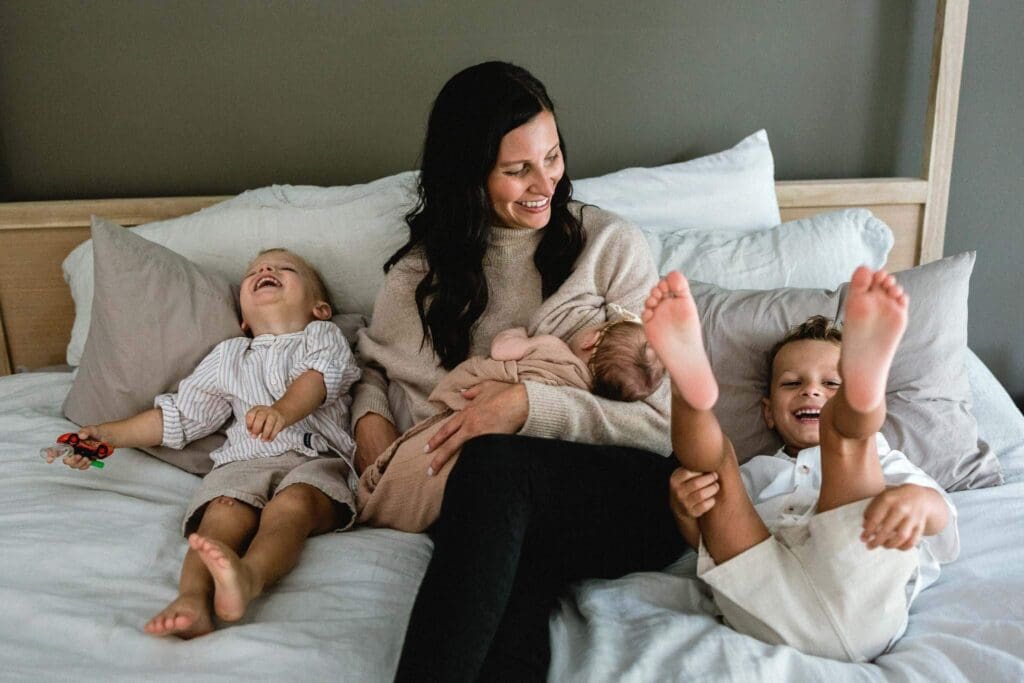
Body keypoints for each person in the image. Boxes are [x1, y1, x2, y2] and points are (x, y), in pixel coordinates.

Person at [350, 61, 687, 681]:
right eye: (518, 169)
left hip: (627, 495)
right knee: (510, 565)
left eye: (553, 158)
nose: (546, 184)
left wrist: (527, 408)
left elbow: (663, 424)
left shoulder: (610, 247)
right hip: (501, 509)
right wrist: (370, 424)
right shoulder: (419, 278)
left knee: (495, 462)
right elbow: (373, 367)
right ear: (467, 173)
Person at [644, 267, 959, 661]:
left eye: (832, 384)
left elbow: (942, 515)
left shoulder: (882, 461)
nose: (811, 389)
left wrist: (916, 502)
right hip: (766, 588)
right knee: (716, 470)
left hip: (859, 584)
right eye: (792, 383)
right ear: (768, 412)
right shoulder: (757, 470)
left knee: (846, 442)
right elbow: (711, 542)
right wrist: (686, 511)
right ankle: (688, 389)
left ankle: (860, 398)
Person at [46, 248, 361, 639]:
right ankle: (192, 599)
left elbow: (318, 379)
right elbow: (181, 416)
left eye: (285, 268)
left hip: (313, 459)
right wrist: (110, 435)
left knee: (293, 506)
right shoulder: (229, 355)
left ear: (321, 308)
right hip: (243, 462)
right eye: (255, 271)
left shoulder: (324, 336)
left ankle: (250, 576)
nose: (265, 269)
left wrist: (282, 411)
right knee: (222, 511)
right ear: (244, 319)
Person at [357, 313, 665, 533]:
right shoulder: (583, 392)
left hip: (501, 462)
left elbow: (502, 349)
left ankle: (388, 496)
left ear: (591, 338)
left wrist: (517, 334)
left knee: (437, 453)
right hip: (516, 480)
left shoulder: (552, 348)